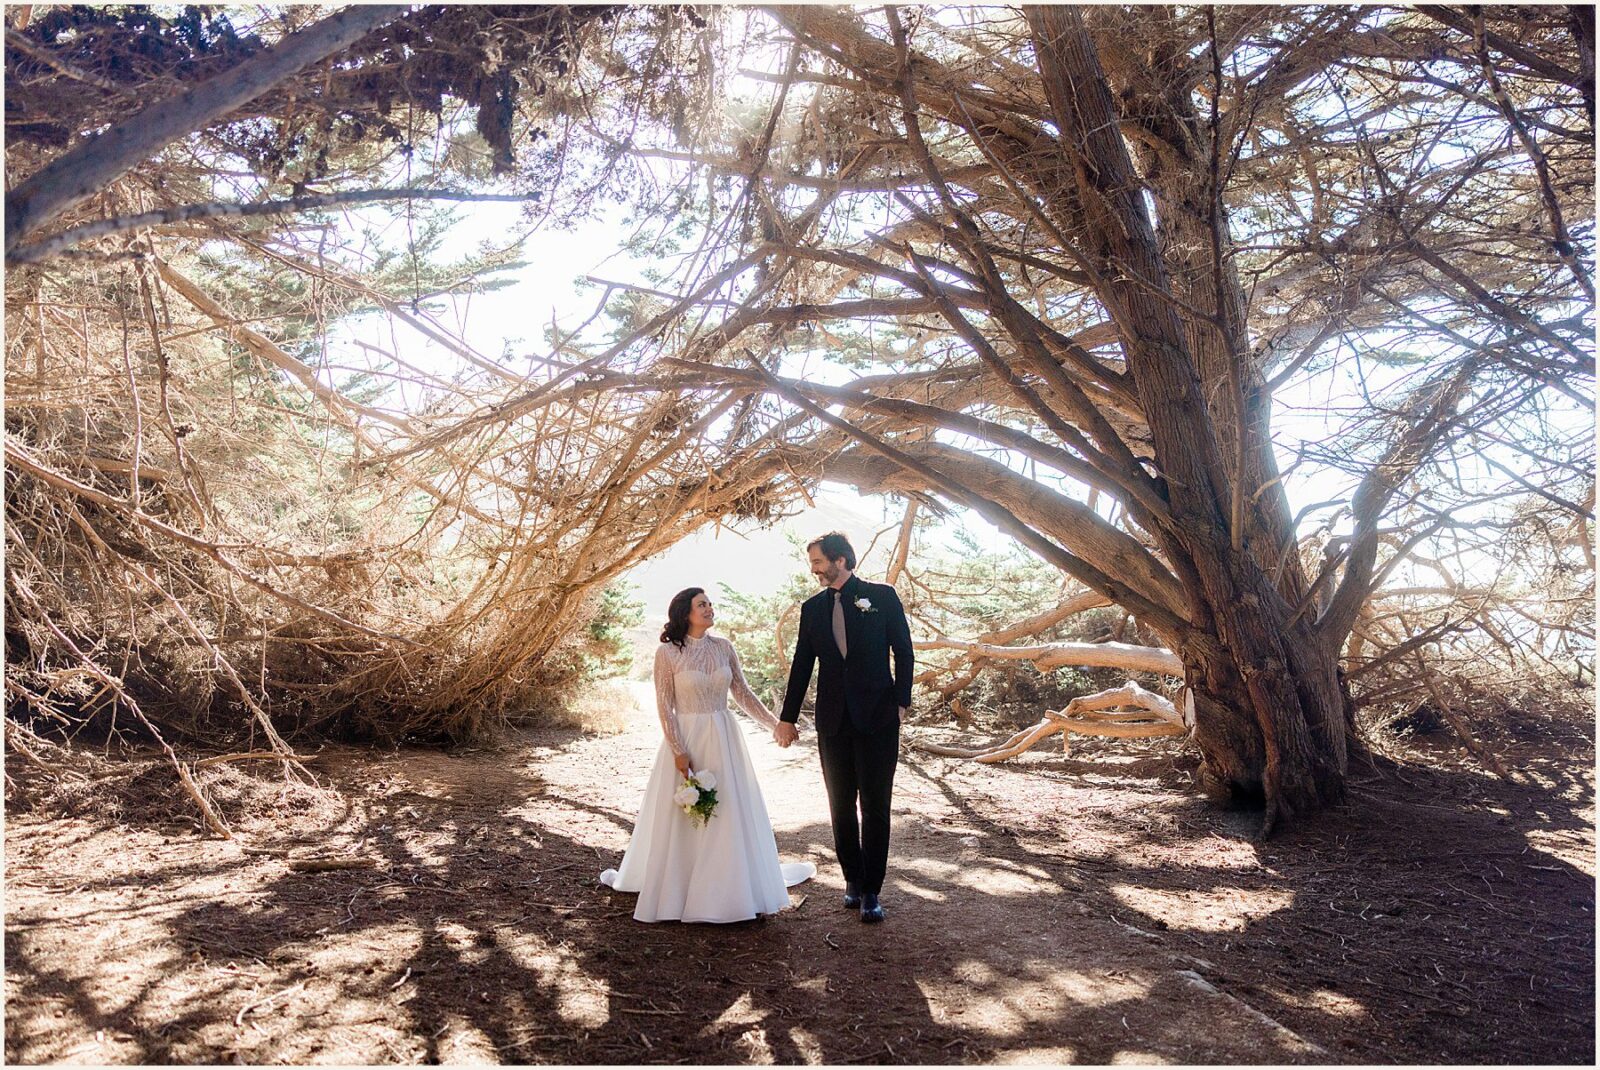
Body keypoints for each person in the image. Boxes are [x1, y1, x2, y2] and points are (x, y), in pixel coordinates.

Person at [600, 587, 814, 923]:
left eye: (710, 603)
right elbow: (664, 705)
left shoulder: (724, 647)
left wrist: (776, 725)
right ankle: (680, 886)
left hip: (725, 737)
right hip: (687, 737)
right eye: (702, 605)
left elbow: (742, 693)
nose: (709, 608)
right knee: (688, 813)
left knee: (726, 808)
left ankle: (728, 888)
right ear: (686, 612)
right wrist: (678, 750)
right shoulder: (667, 653)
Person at [775, 532, 913, 923]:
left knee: (875, 805)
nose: (814, 570)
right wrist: (787, 717)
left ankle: (872, 890)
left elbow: (903, 650)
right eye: (812, 564)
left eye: (818, 562)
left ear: (841, 560)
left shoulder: (881, 597)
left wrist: (901, 701)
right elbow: (803, 664)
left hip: (879, 719)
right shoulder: (812, 608)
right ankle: (852, 879)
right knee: (840, 804)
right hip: (832, 721)